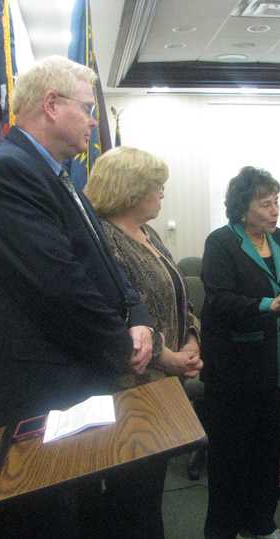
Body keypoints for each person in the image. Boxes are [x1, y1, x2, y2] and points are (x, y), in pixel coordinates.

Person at [0, 56, 154, 539]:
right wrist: (123, 345)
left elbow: (108, 267)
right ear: (51, 105)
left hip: (68, 400)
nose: (94, 120)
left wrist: (139, 315)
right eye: (88, 109)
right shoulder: (7, 174)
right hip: (33, 406)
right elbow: (60, 288)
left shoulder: (61, 177)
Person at [200, 166, 280, 539]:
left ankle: (262, 524)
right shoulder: (221, 242)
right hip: (234, 372)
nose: (274, 210)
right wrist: (269, 304)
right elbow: (219, 301)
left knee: (266, 454)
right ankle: (222, 531)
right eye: (266, 204)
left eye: (277, 202)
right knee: (230, 457)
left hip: (274, 368)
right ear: (242, 208)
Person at [86, 146, 202, 387]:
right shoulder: (103, 239)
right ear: (131, 191)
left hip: (170, 379)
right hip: (134, 384)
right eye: (157, 187)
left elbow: (179, 296)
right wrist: (169, 359)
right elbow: (115, 317)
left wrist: (191, 342)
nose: (162, 194)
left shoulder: (148, 233)